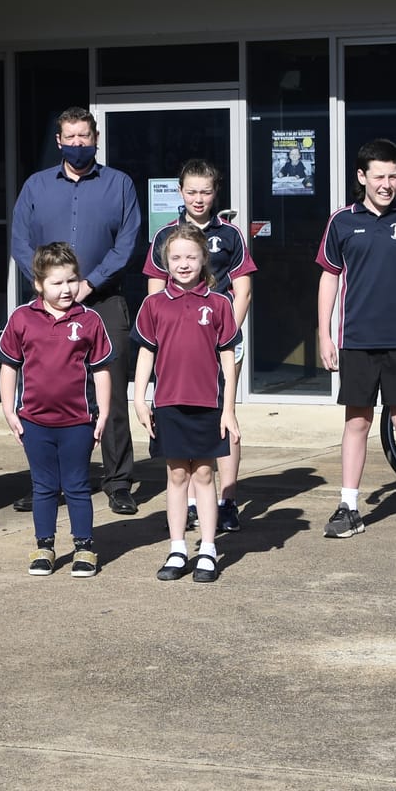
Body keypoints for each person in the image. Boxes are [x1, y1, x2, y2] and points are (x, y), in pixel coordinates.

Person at [8, 106, 143, 516]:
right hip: (48, 309)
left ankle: (118, 481)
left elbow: (128, 241)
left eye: (84, 136)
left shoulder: (119, 184)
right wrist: (51, 290)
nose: (78, 144)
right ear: (59, 141)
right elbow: (20, 242)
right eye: (70, 137)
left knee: (111, 393)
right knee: (53, 393)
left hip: (103, 301)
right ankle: (51, 483)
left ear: (96, 138)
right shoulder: (35, 187)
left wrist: (89, 283)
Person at [315, 138, 396, 541]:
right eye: (379, 176)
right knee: (357, 420)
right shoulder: (341, 221)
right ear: (362, 177)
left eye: (393, 176)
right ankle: (349, 507)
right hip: (355, 340)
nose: (387, 184)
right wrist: (324, 333)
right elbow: (329, 278)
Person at [143, 158, 255, 533]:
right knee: (182, 419)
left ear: (215, 191)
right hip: (177, 344)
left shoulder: (231, 235)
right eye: (191, 191)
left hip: (221, 337)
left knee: (224, 420)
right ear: (180, 192)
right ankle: (191, 503)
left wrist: (222, 336)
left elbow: (244, 291)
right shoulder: (165, 237)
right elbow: (154, 295)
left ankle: (228, 500)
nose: (198, 198)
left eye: (205, 191)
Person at [131, 225, 242, 583]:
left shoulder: (220, 303)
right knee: (177, 475)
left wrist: (228, 408)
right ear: (166, 261)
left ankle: (208, 549)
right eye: (176, 257)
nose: (183, 264)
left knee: (205, 474)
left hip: (208, 404)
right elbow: (147, 353)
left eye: (191, 257)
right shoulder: (153, 304)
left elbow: (228, 357)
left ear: (203, 259)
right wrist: (139, 397)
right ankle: (178, 547)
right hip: (168, 403)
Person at [0, 242, 115, 577]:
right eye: (56, 283)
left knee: (77, 485)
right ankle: (44, 546)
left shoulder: (89, 320)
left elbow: (101, 370)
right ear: (38, 284)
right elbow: (9, 366)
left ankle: (84, 547)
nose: (66, 289)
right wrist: (9, 409)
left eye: (71, 281)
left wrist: (102, 413)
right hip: (34, 421)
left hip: (78, 421)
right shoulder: (22, 319)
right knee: (44, 486)